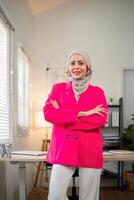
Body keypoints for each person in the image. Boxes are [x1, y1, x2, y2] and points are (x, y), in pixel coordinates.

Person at [43, 50, 108, 200]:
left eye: (81, 63)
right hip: (63, 149)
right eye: (72, 63)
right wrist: (84, 113)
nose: (76, 66)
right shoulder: (57, 89)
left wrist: (64, 116)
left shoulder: (98, 92)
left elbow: (100, 119)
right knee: (55, 196)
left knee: (89, 198)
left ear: (87, 67)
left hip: (90, 150)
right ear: (68, 68)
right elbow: (48, 114)